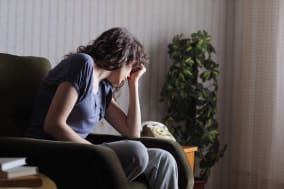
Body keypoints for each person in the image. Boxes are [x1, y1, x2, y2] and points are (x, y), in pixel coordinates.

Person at [25, 27, 179, 189]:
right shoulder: (82, 64)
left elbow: (132, 133)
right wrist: (97, 152)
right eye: (130, 67)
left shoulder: (104, 89)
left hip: (83, 154)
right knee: (137, 151)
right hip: (51, 152)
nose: (129, 74)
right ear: (121, 57)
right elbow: (53, 125)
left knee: (164, 159)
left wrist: (134, 84)